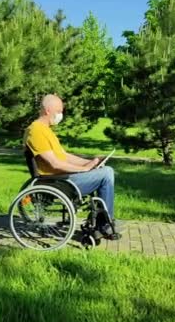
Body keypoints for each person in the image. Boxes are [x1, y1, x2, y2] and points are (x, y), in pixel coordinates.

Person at [23, 94, 120, 226]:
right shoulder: (36, 131)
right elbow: (54, 164)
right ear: (48, 110)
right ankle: (104, 223)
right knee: (107, 174)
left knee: (104, 170)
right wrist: (84, 169)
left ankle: (103, 220)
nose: (60, 115)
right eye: (59, 111)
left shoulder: (46, 130)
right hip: (58, 182)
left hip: (63, 179)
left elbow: (65, 156)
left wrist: (90, 162)